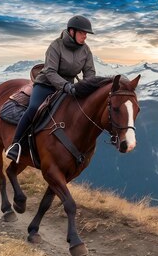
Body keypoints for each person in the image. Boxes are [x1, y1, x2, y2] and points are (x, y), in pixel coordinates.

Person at [5, 15, 96, 162]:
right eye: (82, 33)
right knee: (34, 108)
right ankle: (16, 143)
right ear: (71, 32)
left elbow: (90, 73)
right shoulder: (56, 46)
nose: (85, 36)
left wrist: (86, 89)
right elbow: (50, 71)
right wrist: (66, 86)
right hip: (46, 84)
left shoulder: (86, 50)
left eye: (86, 34)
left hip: (70, 88)